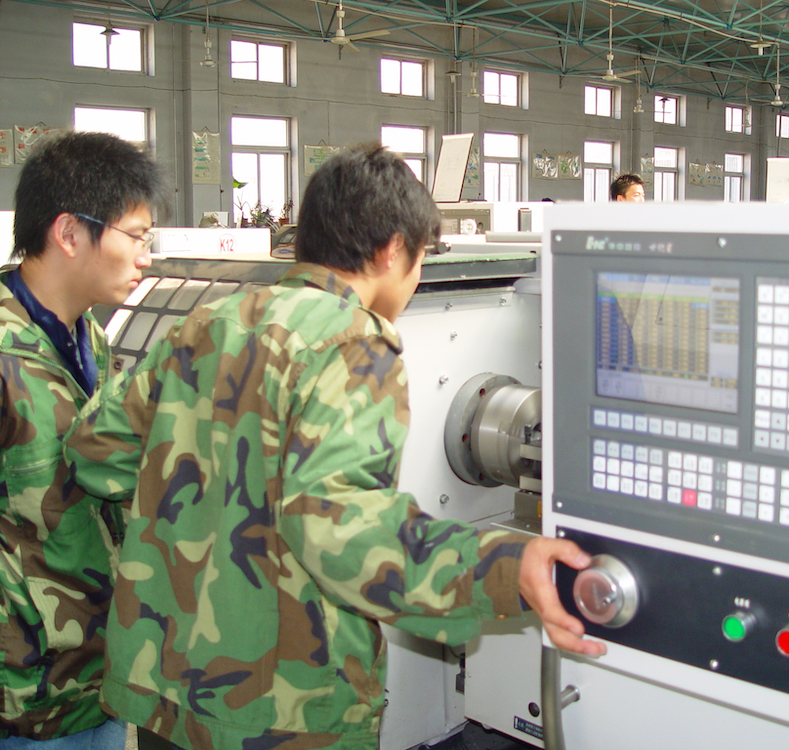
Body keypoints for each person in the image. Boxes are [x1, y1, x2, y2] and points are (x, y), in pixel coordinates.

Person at [63, 144, 605, 750]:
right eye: (420, 259)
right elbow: (339, 530)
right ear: (393, 250)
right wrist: (502, 569)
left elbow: (94, 449)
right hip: (276, 712)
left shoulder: (207, 323)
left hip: (166, 690)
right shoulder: (353, 343)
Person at [1, 131, 165, 745]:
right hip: (25, 694)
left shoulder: (87, 338)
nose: (146, 257)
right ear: (70, 233)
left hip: (99, 674)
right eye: (137, 236)